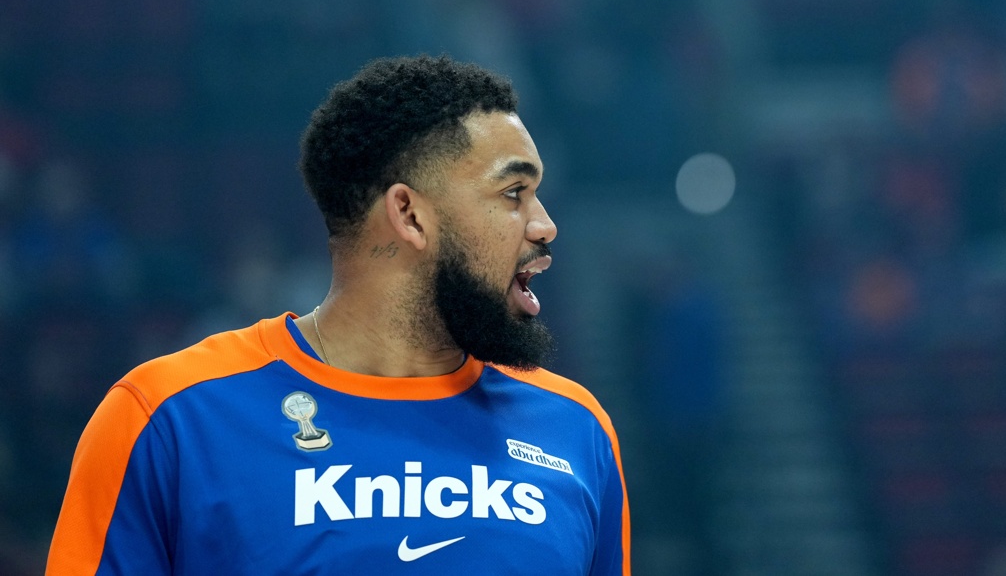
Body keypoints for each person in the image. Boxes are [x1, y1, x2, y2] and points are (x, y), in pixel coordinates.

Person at [46, 55, 631, 574]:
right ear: (410, 214)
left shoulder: (575, 429)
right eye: (513, 193)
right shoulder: (168, 417)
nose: (545, 225)